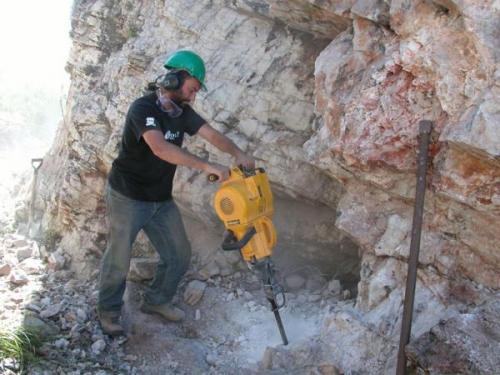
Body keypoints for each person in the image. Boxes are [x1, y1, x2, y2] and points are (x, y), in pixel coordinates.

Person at [97, 50, 255, 336]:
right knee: (119, 256)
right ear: (174, 77)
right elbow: (160, 148)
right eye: (192, 90)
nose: (193, 97)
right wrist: (206, 164)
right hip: (127, 197)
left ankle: (156, 301)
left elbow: (211, 134)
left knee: (179, 254)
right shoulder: (142, 109)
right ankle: (108, 313)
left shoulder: (182, 113)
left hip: (160, 200)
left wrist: (238, 152)